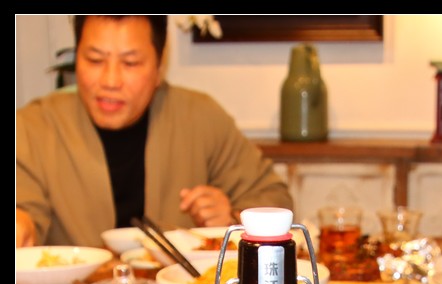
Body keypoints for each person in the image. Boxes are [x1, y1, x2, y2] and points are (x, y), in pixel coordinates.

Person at [16, 14, 293, 248]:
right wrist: (22, 223)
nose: (110, 80)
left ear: (160, 67)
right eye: (95, 60)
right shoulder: (34, 127)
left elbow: (273, 198)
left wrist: (232, 218)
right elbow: (24, 210)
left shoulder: (199, 117)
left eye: (130, 63)